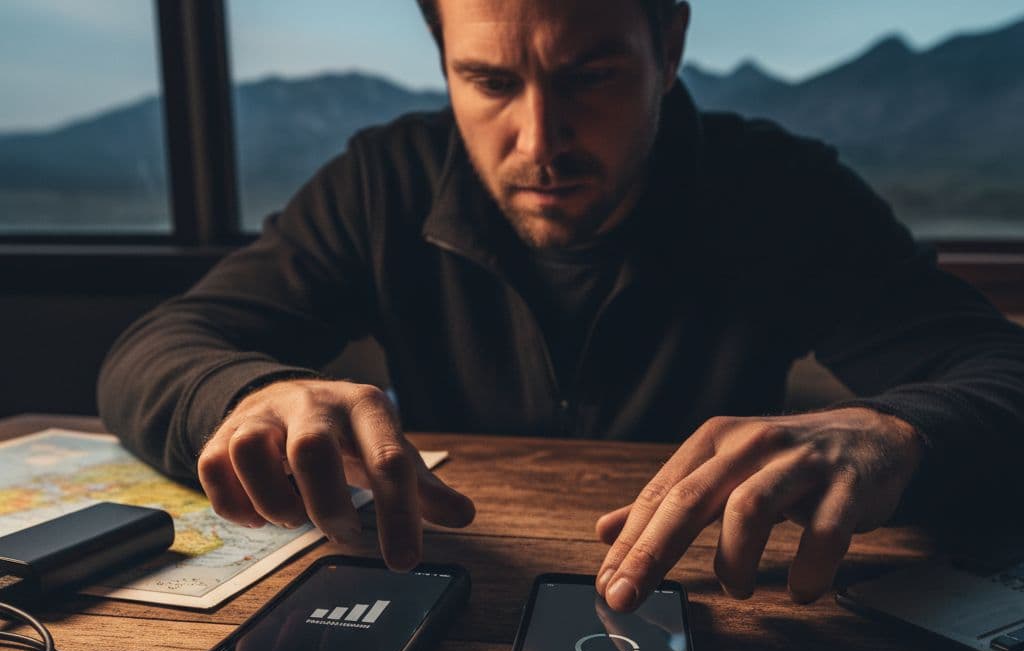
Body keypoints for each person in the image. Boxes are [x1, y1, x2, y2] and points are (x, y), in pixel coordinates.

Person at [98, 0, 1024, 613]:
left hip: (724, 620)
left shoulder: (780, 189)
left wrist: (897, 430)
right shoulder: (383, 181)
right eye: (492, 83)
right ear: (445, 66)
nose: (539, 140)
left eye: (590, 78)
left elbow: (1001, 370)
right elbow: (163, 345)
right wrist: (245, 395)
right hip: (442, 607)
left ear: (668, 49)